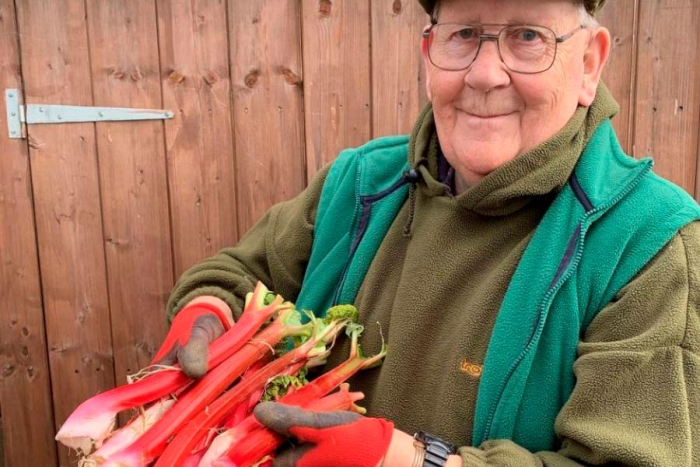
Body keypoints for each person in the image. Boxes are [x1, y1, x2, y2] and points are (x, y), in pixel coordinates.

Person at [155, 0, 700, 465]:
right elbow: (239, 273)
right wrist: (208, 310)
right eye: (463, 35)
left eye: (527, 37)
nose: (485, 74)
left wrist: (411, 460)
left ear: (588, 64)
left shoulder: (647, 242)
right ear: (428, 55)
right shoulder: (360, 183)